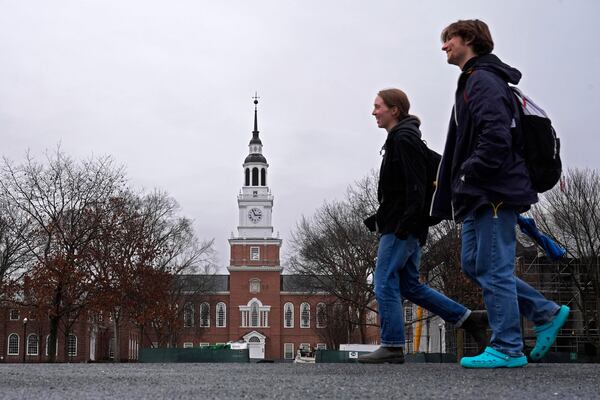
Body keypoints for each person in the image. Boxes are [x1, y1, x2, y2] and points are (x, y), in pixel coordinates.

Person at [432, 19, 570, 368]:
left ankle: (508, 347)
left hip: (491, 189)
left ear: (469, 40)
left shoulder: (482, 80)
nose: (444, 46)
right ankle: (545, 311)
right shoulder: (475, 80)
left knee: (494, 268)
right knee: (474, 264)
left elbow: (496, 136)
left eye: (450, 39)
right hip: (478, 192)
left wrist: (467, 171)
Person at [358, 88, 488, 364]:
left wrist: (404, 225)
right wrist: (380, 217)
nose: (373, 112)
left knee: (383, 283)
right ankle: (468, 318)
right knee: (410, 287)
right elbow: (406, 188)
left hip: (401, 228)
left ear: (395, 110)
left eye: (378, 106)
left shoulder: (403, 140)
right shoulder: (405, 138)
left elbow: (416, 187)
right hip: (407, 226)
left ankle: (392, 345)